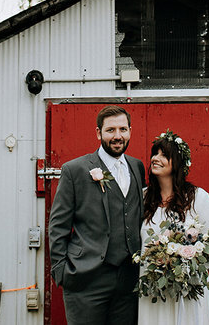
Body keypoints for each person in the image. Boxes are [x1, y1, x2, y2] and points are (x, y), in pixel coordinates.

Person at [48, 105, 148, 325]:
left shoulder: (137, 167)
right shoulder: (75, 170)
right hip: (86, 279)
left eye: (123, 129)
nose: (117, 136)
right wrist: (61, 271)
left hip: (128, 280)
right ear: (98, 133)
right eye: (110, 130)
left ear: (130, 131)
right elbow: (58, 225)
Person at [138, 131, 209, 325]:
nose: (155, 159)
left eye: (164, 155)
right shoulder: (143, 198)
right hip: (152, 289)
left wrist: (182, 261)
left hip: (187, 290)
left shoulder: (198, 199)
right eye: (154, 153)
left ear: (178, 163)